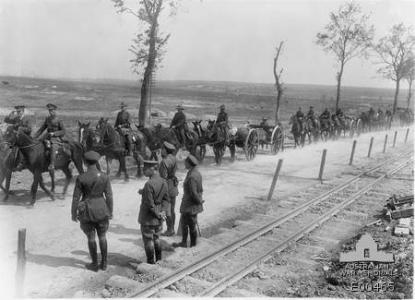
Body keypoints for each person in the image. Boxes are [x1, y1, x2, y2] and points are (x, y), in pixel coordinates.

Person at [71, 151, 113, 271]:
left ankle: (94, 264)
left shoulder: (81, 178)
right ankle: (104, 264)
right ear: (97, 161)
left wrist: (73, 213)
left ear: (85, 162)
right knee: (102, 236)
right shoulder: (104, 176)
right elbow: (109, 196)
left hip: (87, 211)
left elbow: (75, 198)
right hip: (102, 209)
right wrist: (110, 211)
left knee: (91, 237)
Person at [138, 160, 169, 264]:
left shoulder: (149, 184)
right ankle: (159, 260)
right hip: (159, 218)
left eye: (145, 169)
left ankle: (150, 262)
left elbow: (150, 205)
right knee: (157, 238)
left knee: (148, 240)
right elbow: (166, 199)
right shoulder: (164, 181)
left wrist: (157, 213)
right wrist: (163, 212)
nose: (143, 171)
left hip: (148, 218)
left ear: (153, 168)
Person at [173, 155, 203, 248]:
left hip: (190, 205)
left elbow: (193, 193)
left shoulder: (191, 177)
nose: (184, 163)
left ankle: (192, 244)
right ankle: (184, 242)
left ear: (189, 164)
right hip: (191, 203)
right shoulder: (196, 173)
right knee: (186, 224)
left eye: (185, 162)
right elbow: (200, 190)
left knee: (190, 225)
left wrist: (199, 202)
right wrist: (199, 199)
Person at [34, 103, 67, 171]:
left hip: (56, 138)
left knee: (53, 147)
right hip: (47, 136)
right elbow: (42, 129)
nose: (50, 112)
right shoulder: (47, 119)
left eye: (52, 110)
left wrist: (54, 133)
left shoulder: (58, 120)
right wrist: (35, 136)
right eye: (49, 111)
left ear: (55, 110)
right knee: (38, 144)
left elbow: (63, 131)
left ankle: (52, 164)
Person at [4, 105, 32, 171]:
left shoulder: (27, 119)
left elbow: (29, 129)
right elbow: (6, 120)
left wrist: (21, 129)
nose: (18, 113)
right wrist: (10, 114)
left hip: (25, 138)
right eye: (17, 112)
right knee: (5, 144)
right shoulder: (16, 119)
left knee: (22, 149)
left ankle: (22, 164)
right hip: (16, 138)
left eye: (19, 112)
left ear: (23, 111)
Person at [160, 142, 179, 236]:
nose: (161, 151)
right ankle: (172, 228)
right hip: (173, 186)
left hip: (167, 186)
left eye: (162, 149)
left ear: (165, 150)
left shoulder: (164, 161)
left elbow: (163, 177)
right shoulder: (174, 158)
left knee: (167, 209)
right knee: (172, 209)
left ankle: (169, 230)